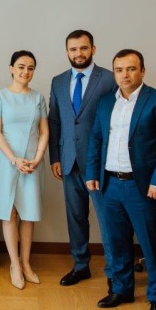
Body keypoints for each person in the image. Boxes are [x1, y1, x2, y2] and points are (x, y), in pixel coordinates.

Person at [85, 49, 156, 310]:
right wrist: (92, 172)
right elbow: (96, 138)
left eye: (131, 69)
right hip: (110, 183)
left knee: (151, 244)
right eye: (119, 70)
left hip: (143, 187)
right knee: (117, 242)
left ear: (142, 71)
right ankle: (122, 290)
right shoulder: (105, 102)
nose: (124, 75)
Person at [48, 30, 116, 288]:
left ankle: (114, 272)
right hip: (68, 161)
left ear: (93, 49)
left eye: (83, 48)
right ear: (67, 52)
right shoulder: (58, 81)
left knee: (107, 220)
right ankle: (80, 265)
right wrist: (55, 156)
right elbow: (55, 120)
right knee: (75, 217)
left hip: (100, 163)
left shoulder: (109, 78)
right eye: (73, 49)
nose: (78, 53)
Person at [0, 50, 49, 289]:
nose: (26, 71)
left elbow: (44, 131)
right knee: (10, 212)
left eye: (30, 68)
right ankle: (14, 264)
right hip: (8, 162)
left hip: (33, 163)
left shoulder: (38, 98)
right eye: (21, 66)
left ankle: (26, 263)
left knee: (29, 213)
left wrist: (37, 158)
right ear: (11, 68)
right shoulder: (0, 96)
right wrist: (14, 159)